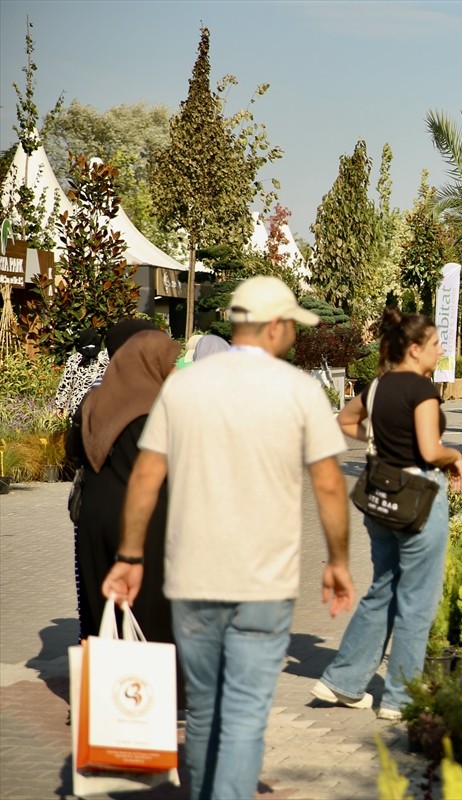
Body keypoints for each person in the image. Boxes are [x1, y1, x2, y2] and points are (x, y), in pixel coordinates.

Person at [102, 276, 355, 800]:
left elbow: (146, 475)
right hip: (264, 583)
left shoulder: (184, 386)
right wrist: (337, 560)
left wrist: (129, 555)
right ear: (275, 326)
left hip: (192, 578)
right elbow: (330, 484)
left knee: (203, 710)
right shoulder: (299, 391)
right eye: (292, 326)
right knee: (242, 714)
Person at [313, 310, 462, 722]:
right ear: (414, 349)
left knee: (384, 588)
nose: (440, 350)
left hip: (379, 497)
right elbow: (430, 450)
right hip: (417, 500)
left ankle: (342, 680)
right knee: (418, 601)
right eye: (435, 344)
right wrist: (454, 455)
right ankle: (400, 698)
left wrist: (377, 437)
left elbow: (345, 420)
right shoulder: (422, 390)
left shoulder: (378, 385)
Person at [70, 330, 179, 643]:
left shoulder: (93, 401)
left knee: (100, 608)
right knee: (149, 617)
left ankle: (103, 671)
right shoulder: (156, 407)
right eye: (171, 362)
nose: (174, 370)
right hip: (145, 521)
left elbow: (73, 452)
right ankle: (146, 675)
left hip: (93, 518)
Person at [54, 329, 108, 417]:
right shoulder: (104, 358)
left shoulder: (74, 359)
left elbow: (66, 383)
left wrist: (60, 405)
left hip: (77, 406)